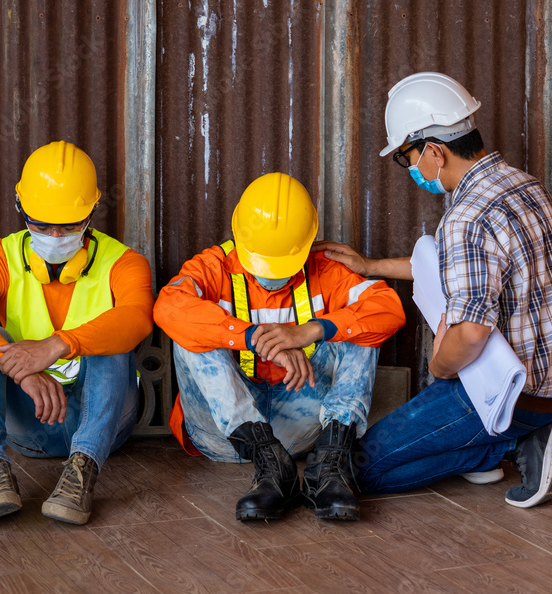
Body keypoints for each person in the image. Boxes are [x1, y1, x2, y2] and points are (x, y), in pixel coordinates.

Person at [315, 72, 552, 508]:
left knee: (355, 467)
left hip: (508, 395)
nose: (410, 170)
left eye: (406, 158)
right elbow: (455, 267)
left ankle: (509, 445)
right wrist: (370, 266)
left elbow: (470, 335)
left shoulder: (466, 218)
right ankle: (520, 436)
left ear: (434, 152)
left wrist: (440, 367)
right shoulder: (523, 185)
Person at [154, 172, 405, 521]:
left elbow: (389, 308)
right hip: (224, 434)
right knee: (191, 333)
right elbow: (168, 306)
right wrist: (255, 337)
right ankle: (268, 461)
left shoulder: (326, 269)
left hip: (302, 430)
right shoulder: (213, 266)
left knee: (361, 329)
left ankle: (328, 467)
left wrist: (310, 331)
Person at [0, 141, 154, 525]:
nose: (55, 235)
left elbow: (138, 318)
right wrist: (22, 369)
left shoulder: (125, 262)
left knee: (112, 342)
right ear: (21, 208)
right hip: (33, 427)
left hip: (108, 424)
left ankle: (82, 472)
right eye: (41, 224)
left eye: (69, 225)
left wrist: (59, 344)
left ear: (92, 209)